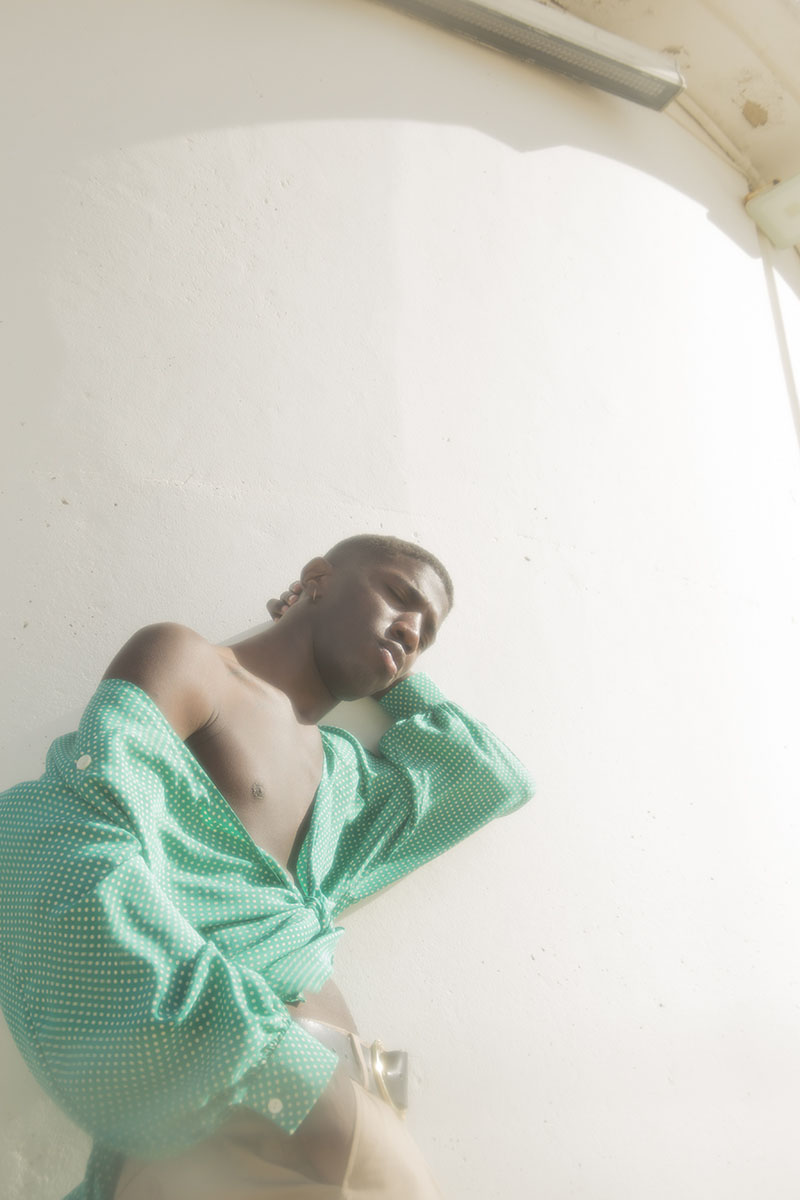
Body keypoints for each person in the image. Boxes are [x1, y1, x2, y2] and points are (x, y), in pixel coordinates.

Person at [0, 534, 534, 1199]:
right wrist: (272, 1064)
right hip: (246, 1094)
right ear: (316, 578)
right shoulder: (194, 664)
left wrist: (399, 675)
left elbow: (491, 777)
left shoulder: (343, 773)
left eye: (427, 634)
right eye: (399, 596)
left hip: (347, 1102)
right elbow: (88, 824)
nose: (411, 629)